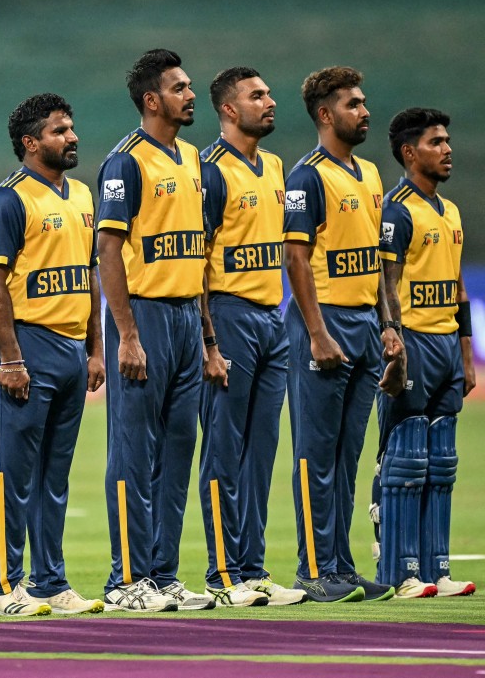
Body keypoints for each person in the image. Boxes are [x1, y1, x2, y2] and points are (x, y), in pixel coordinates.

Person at [0, 93, 105, 618]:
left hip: (72, 349)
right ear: (31, 143)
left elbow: (89, 276)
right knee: (12, 472)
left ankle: (50, 582)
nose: (71, 137)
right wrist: (9, 358)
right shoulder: (8, 200)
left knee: (55, 475)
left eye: (71, 129)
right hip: (26, 346)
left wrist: (96, 349)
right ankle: (6, 589)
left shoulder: (81, 195)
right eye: (59, 131)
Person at [97, 49, 213, 612]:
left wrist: (208, 339)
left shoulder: (192, 159)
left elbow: (200, 255)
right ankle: (126, 580)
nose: (191, 95)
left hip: (187, 318)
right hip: (143, 315)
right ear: (151, 99)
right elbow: (108, 252)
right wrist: (128, 335)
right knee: (133, 451)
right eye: (180, 87)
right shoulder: (125, 162)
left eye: (190, 87)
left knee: (177, 449)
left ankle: (163, 575)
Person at [283, 66, 404, 603]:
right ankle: (312, 569)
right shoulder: (306, 177)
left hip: (363, 325)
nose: (365, 111)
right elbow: (296, 257)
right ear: (326, 115)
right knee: (315, 451)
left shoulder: (372, 175)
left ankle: (341, 565)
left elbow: (378, 263)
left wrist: (388, 325)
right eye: (354, 104)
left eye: (364, 101)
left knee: (347, 455)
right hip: (325, 322)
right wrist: (316, 332)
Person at [196, 68, 306, 607]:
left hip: (272, 315)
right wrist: (208, 339)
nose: (271, 102)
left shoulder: (276, 166)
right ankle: (222, 575)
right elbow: (194, 261)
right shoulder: (210, 173)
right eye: (257, 96)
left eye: (269, 92)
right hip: (229, 314)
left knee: (261, 450)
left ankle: (254, 568)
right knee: (223, 446)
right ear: (229, 110)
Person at [372, 107, 476, 598]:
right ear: (411, 153)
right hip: (411, 342)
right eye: (436, 142)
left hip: (446, 349)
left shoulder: (450, 211)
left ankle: (437, 568)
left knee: (443, 462)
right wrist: (393, 339)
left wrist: (467, 352)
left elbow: (457, 291)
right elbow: (384, 283)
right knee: (407, 459)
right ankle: (400, 571)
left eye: (448, 140)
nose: (448, 148)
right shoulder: (396, 209)